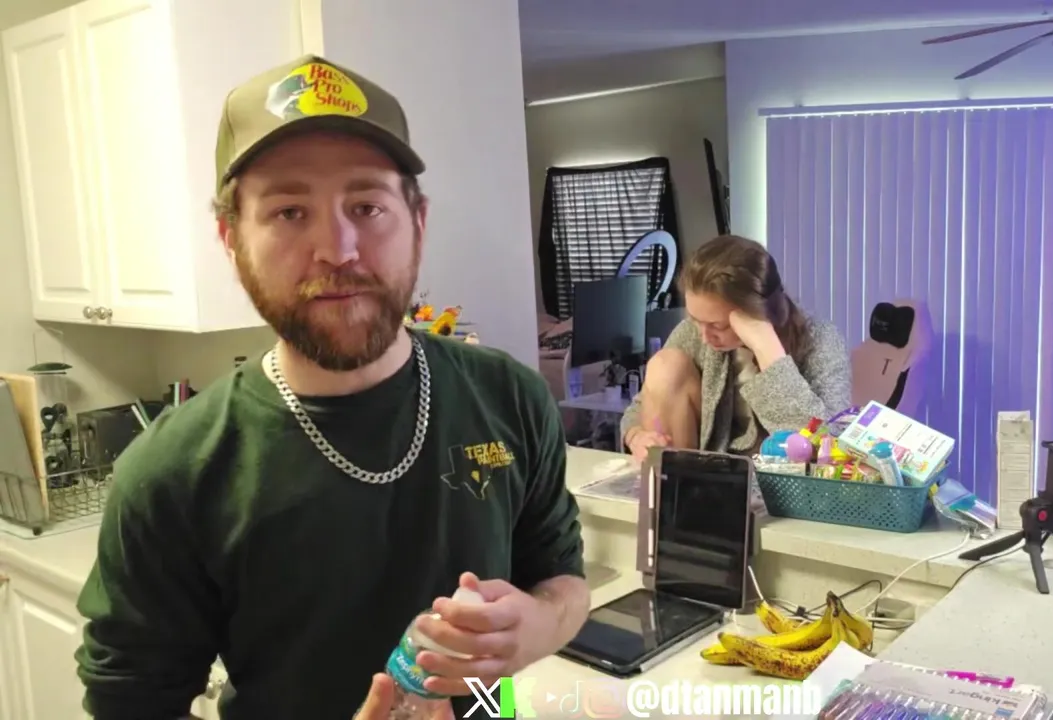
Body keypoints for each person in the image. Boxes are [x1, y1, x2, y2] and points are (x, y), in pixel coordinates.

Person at [73, 55, 589, 720]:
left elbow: (562, 576)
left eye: (367, 206)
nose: (338, 249)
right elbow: (129, 706)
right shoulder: (172, 471)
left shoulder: (509, 397)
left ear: (418, 223)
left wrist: (539, 625)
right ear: (231, 240)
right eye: (289, 212)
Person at [621, 235, 852, 459]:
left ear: (756, 313)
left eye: (717, 326)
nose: (704, 337)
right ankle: (675, 480)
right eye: (695, 319)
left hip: (776, 472)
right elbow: (640, 407)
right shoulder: (693, 332)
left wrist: (767, 349)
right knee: (665, 366)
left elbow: (828, 443)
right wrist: (636, 436)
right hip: (707, 464)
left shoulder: (821, 339)